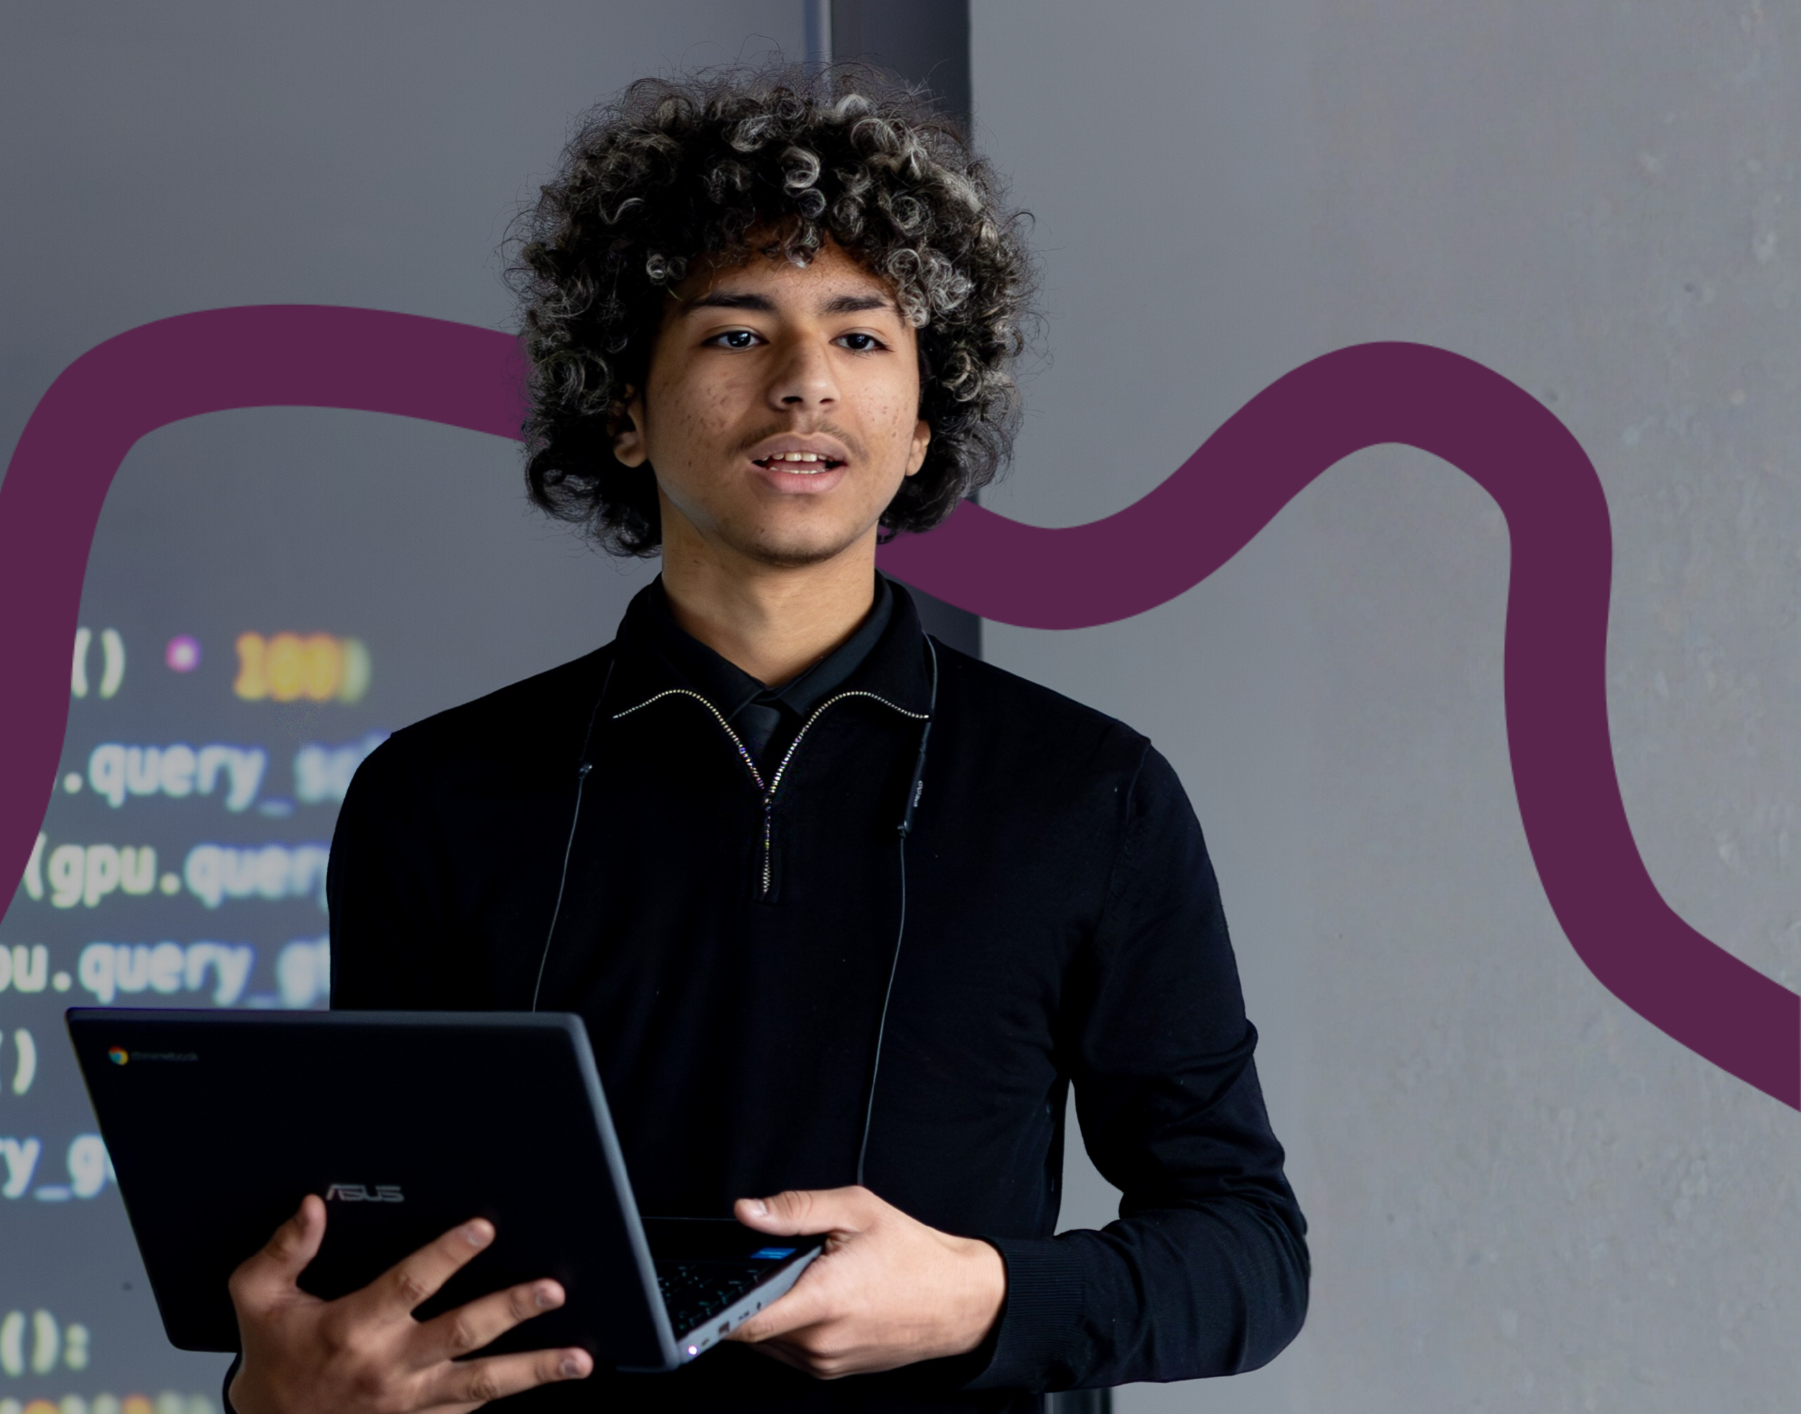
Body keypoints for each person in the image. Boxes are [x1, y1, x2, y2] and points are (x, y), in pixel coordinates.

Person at [222, 67, 1307, 1412]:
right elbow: (377, 1258)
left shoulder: (1093, 795)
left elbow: (1249, 1250)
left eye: (861, 339)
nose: (803, 385)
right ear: (624, 405)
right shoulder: (437, 798)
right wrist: (274, 1396)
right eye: (736, 335)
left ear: (922, 425)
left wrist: (982, 1294)